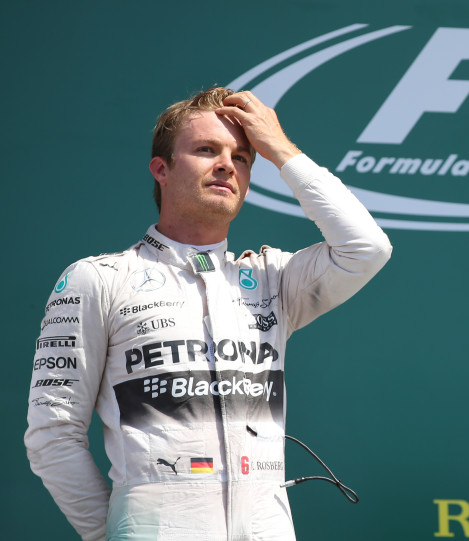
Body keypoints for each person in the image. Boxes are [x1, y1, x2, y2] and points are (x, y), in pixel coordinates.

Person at [25, 87, 392, 540]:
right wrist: (111, 534)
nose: (226, 165)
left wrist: (280, 150)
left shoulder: (274, 279)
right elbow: (51, 436)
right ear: (161, 169)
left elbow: (366, 248)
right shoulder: (98, 279)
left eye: (241, 157)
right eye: (206, 150)